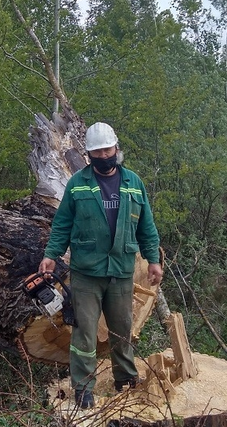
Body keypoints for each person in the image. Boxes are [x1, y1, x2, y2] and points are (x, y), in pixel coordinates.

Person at [39, 122, 162, 409]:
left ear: (116, 148)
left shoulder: (133, 183)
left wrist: (153, 260)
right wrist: (51, 254)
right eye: (97, 152)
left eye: (107, 150)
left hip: (121, 269)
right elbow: (62, 224)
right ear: (89, 154)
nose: (103, 155)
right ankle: (83, 388)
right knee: (84, 331)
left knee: (122, 329)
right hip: (86, 272)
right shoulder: (77, 184)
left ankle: (125, 379)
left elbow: (146, 226)